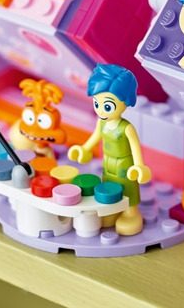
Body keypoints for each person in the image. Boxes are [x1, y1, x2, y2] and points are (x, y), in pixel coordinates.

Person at [68, 64, 151, 236]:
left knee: (128, 189)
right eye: (96, 103)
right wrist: (84, 149)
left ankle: (131, 213)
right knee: (109, 188)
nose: (100, 111)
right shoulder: (102, 123)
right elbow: (94, 138)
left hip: (125, 166)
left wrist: (139, 166)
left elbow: (136, 148)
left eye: (107, 106)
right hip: (107, 163)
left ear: (126, 101)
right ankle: (113, 210)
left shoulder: (126, 127)